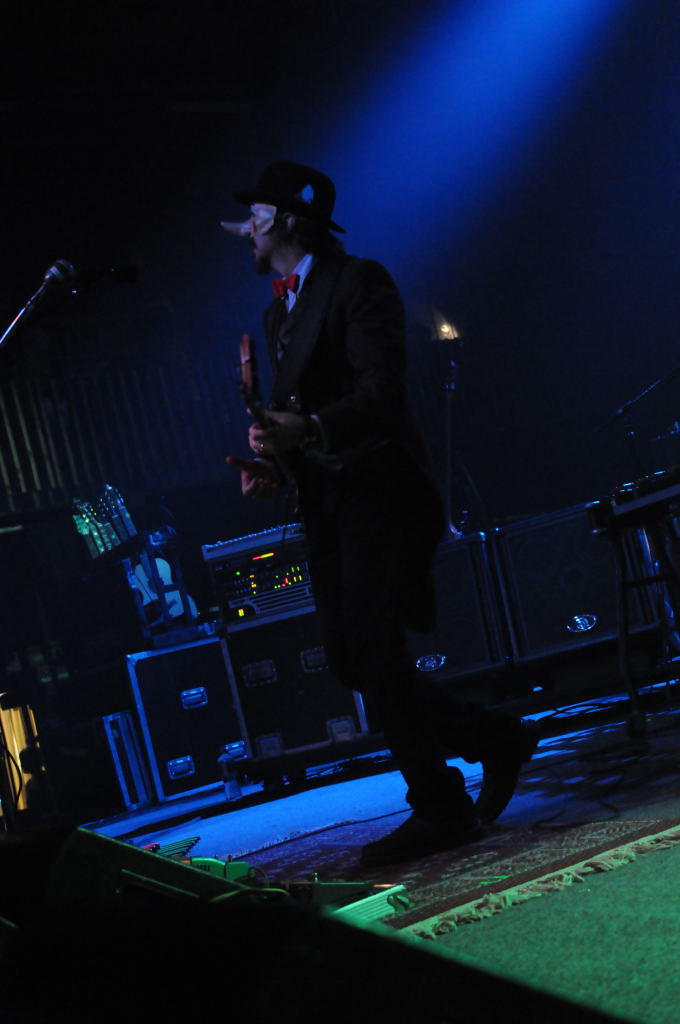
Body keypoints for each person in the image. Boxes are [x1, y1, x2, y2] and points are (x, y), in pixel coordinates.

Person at [222, 161, 538, 867]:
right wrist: (276, 465)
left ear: (286, 220)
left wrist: (308, 430)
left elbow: (381, 394)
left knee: (374, 651)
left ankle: (440, 805)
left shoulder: (358, 282)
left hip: (379, 492)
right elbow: (304, 417)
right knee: (350, 659)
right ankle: (493, 738)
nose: (247, 228)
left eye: (257, 214)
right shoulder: (278, 313)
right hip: (329, 502)